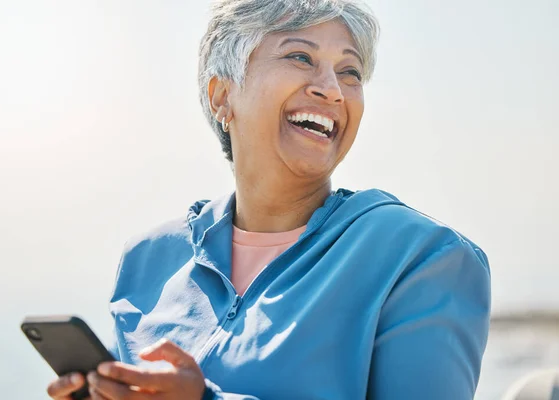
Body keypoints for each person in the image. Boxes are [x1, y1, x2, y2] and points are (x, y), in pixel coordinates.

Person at [47, 0, 491, 399]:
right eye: (301, 57)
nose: (332, 89)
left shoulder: (421, 257)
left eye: (350, 72)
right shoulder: (148, 259)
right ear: (222, 95)